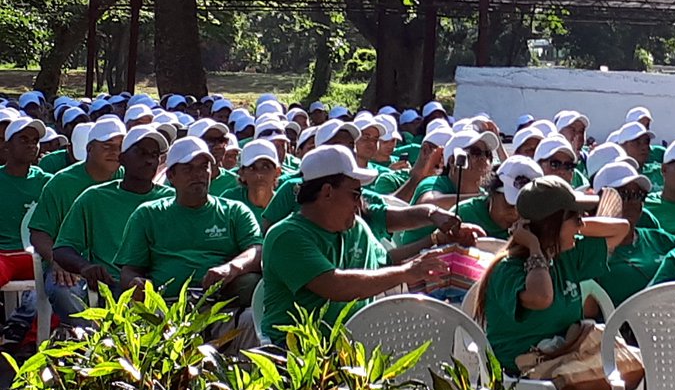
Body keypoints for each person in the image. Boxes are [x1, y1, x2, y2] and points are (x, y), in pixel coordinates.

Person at [475, 175, 631, 390]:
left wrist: (560, 228)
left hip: (568, 373)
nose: (582, 225)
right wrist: (535, 245)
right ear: (553, 222)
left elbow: (620, 229)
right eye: (576, 218)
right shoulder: (508, 269)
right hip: (524, 383)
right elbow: (541, 297)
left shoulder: (566, 256)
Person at [260, 145, 449, 344]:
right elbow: (336, 286)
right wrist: (407, 271)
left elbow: (385, 263)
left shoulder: (356, 227)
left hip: (351, 351)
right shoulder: (286, 236)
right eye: (355, 194)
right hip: (293, 357)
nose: (359, 204)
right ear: (327, 192)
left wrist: (436, 241)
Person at [116, 137, 263, 328]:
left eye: (204, 167)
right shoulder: (148, 214)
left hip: (222, 309)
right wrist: (136, 284)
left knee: (254, 316)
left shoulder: (234, 211)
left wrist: (231, 268)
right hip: (165, 308)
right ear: (171, 176)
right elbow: (129, 270)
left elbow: (257, 249)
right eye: (188, 169)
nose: (199, 174)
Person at [28, 117, 138, 327]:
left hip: (115, 268)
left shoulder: (130, 180)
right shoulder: (61, 183)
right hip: (69, 265)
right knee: (64, 292)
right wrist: (57, 260)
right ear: (89, 148)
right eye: (108, 146)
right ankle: (91, 344)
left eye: (120, 147)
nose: (115, 152)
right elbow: (39, 232)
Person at [53, 126, 173, 302]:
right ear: (122, 158)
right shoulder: (95, 197)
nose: (149, 160)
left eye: (154, 155)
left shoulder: (170, 199)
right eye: (141, 153)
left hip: (164, 287)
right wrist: (85, 267)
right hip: (112, 287)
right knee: (62, 293)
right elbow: (62, 248)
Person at [591, 161, 675, 306]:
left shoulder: (662, 240)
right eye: (623, 194)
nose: (633, 201)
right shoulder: (588, 252)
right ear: (600, 201)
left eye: (638, 195)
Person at [0, 117, 52, 343]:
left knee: (58, 285)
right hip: (4, 256)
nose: (32, 144)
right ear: (6, 145)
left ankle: (24, 334)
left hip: (40, 257)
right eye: (24, 139)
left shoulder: (49, 183)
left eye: (35, 140)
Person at [223, 139, 283, 226]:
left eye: (265, 167)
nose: (259, 174)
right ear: (242, 173)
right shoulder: (229, 201)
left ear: (277, 172)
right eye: (252, 168)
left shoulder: (285, 204)